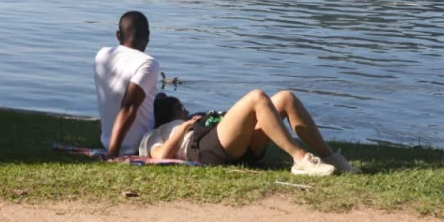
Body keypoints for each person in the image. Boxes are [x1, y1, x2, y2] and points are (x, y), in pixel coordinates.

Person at [139, 92, 359, 176]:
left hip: (226, 141)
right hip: (203, 149)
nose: (185, 111)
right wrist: (181, 130)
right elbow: (158, 157)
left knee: (286, 98)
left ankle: (330, 157)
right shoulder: (156, 133)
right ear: (169, 115)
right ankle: (300, 159)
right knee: (256, 98)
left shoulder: (189, 119)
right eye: (180, 109)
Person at [94, 11, 160, 157]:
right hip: (138, 145)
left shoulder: (102, 55)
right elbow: (128, 107)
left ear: (118, 35)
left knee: (160, 98)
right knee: (171, 107)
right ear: (148, 37)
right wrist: (113, 153)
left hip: (106, 140)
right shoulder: (148, 63)